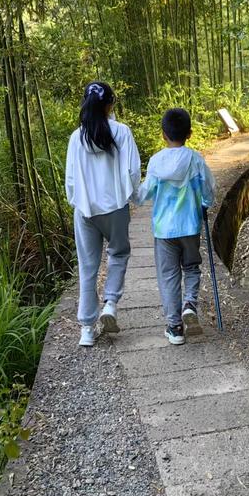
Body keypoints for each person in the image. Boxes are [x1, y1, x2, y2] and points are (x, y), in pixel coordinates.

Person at [65, 82, 141, 347]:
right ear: (110, 105)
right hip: (115, 208)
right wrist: (134, 196)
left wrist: (78, 203)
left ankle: (87, 329)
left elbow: (71, 179)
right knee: (119, 254)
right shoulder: (122, 132)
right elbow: (132, 171)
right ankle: (110, 304)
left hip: (85, 210)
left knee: (87, 268)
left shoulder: (77, 137)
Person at [138, 107, 215, 345]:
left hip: (164, 230)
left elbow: (143, 194)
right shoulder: (195, 159)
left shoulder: (156, 161)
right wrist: (206, 203)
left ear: (163, 134)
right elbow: (209, 189)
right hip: (190, 226)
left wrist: (129, 193)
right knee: (191, 267)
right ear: (189, 133)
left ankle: (174, 328)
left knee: (169, 275)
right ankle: (190, 303)